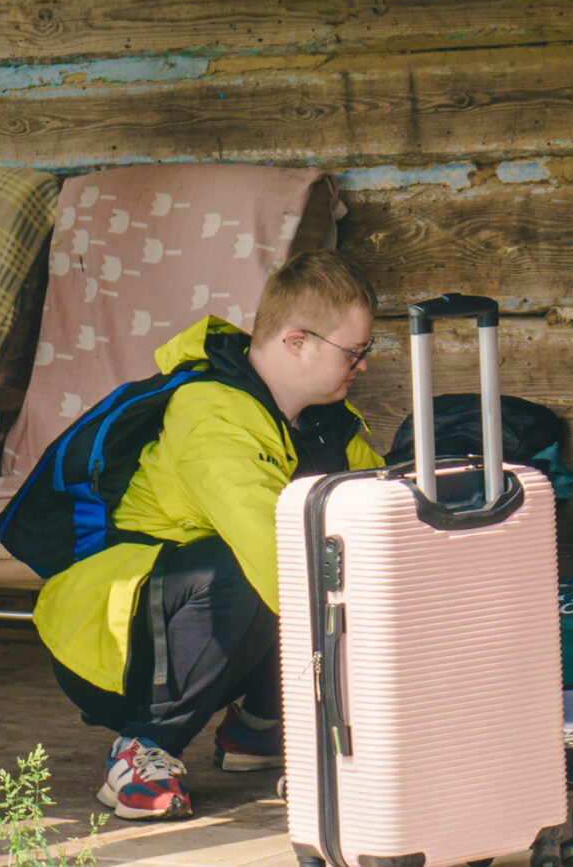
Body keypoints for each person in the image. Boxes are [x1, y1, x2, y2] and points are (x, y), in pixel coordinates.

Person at [33, 250, 385, 821]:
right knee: (267, 568)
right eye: (354, 351)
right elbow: (274, 555)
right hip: (111, 643)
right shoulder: (211, 412)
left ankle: (258, 728)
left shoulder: (325, 423)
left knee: (324, 561)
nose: (362, 366)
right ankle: (142, 748)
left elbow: (377, 521)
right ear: (297, 342)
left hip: (189, 626)